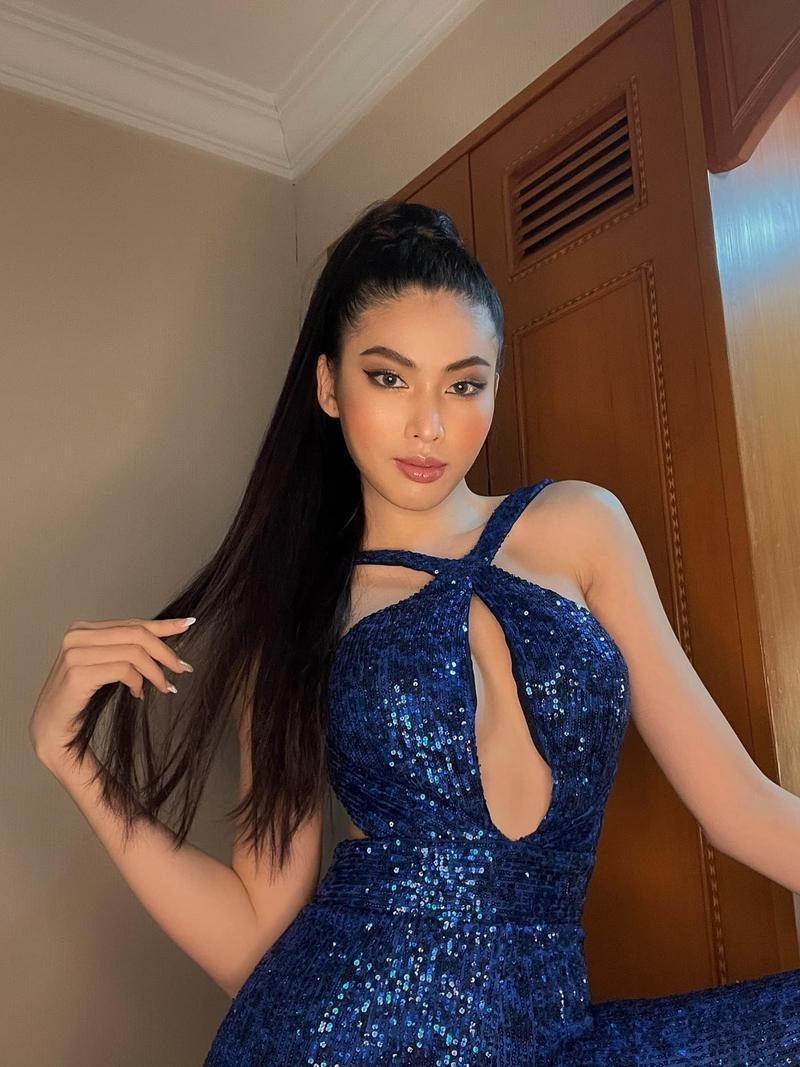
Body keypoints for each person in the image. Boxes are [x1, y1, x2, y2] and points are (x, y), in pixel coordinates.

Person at [29, 199, 800, 1065]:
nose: (429, 425)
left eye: (463, 384)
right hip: (342, 1035)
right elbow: (254, 936)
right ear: (329, 386)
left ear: (495, 384)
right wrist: (74, 761)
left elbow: (741, 807)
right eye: (389, 378)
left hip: (546, 1035)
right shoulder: (301, 618)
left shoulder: (582, 526)